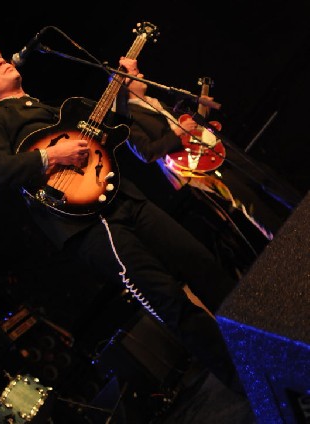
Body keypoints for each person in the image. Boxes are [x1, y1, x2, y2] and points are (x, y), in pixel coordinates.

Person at [0, 43, 244, 395]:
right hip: (87, 222)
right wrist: (50, 156)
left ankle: (270, 333)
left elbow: (115, 129)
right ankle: (249, 381)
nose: (2, 61)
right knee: (168, 297)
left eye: (1, 57)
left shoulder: (52, 109)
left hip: (124, 196)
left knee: (202, 263)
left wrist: (121, 91)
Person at [117, 56, 277, 278]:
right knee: (247, 198)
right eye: (135, 75)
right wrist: (177, 132)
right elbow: (147, 152)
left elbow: (191, 132)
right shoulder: (128, 119)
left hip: (206, 153)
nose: (142, 75)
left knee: (261, 175)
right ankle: (284, 237)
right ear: (123, 86)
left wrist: (200, 112)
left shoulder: (155, 102)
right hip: (193, 170)